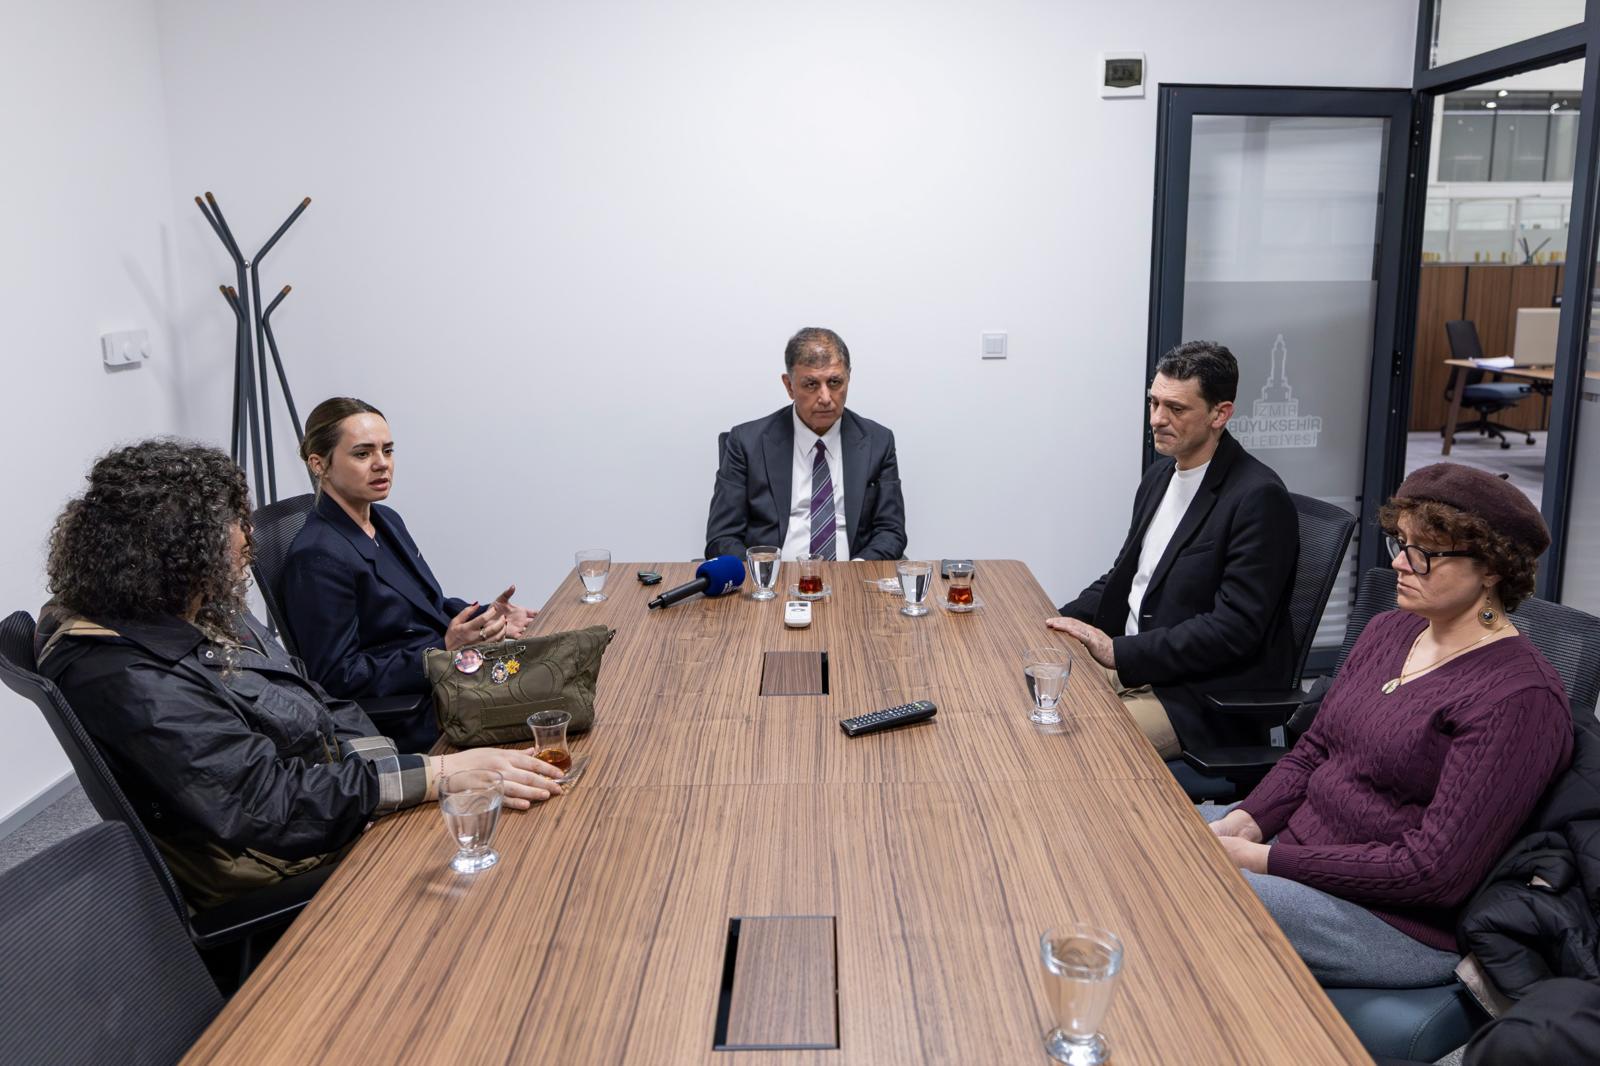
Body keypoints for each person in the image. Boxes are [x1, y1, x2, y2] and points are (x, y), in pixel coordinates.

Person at [35, 439, 564, 908]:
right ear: (178, 547)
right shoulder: (133, 679)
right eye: (234, 522)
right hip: (287, 855)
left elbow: (312, 695)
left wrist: (395, 768)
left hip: (334, 796)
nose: (248, 536)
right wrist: (433, 775)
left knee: (515, 807)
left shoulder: (190, 608)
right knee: (516, 859)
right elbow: (267, 805)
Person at [1204, 463, 1574, 988]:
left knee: (1181, 886)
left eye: (1425, 553)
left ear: (1492, 568)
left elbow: (1433, 873)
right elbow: (1315, 750)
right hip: (1293, 851)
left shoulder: (1519, 700)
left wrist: (1262, 859)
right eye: (1400, 543)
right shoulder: (1389, 631)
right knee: (1140, 832)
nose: (1400, 563)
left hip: (1390, 920)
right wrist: (1247, 820)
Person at [1048, 341, 1298, 757]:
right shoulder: (1160, 476)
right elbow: (1126, 575)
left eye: (1176, 409)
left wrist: (1118, 651)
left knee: (1075, 748)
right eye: (1154, 403)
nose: (1157, 419)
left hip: (1195, 696)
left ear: (1220, 414)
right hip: (1137, 666)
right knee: (1026, 695)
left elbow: (1233, 629)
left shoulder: (1258, 497)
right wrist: (1056, 620)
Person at [279, 397, 537, 714]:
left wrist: (488, 618)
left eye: (387, 451)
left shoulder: (385, 520)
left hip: (453, 680)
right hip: (416, 708)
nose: (382, 464)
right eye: (362, 454)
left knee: (562, 677)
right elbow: (336, 677)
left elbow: (429, 606)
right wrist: (442, 651)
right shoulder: (317, 556)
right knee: (554, 703)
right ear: (319, 464)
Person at [705, 327, 907, 561]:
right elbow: (722, 538)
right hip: (773, 576)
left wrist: (857, 570)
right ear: (789, 386)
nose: (825, 398)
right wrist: (765, 572)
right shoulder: (746, 443)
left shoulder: (878, 441)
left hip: (853, 575)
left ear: (848, 378)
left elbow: (891, 532)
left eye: (835, 382)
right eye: (811, 384)